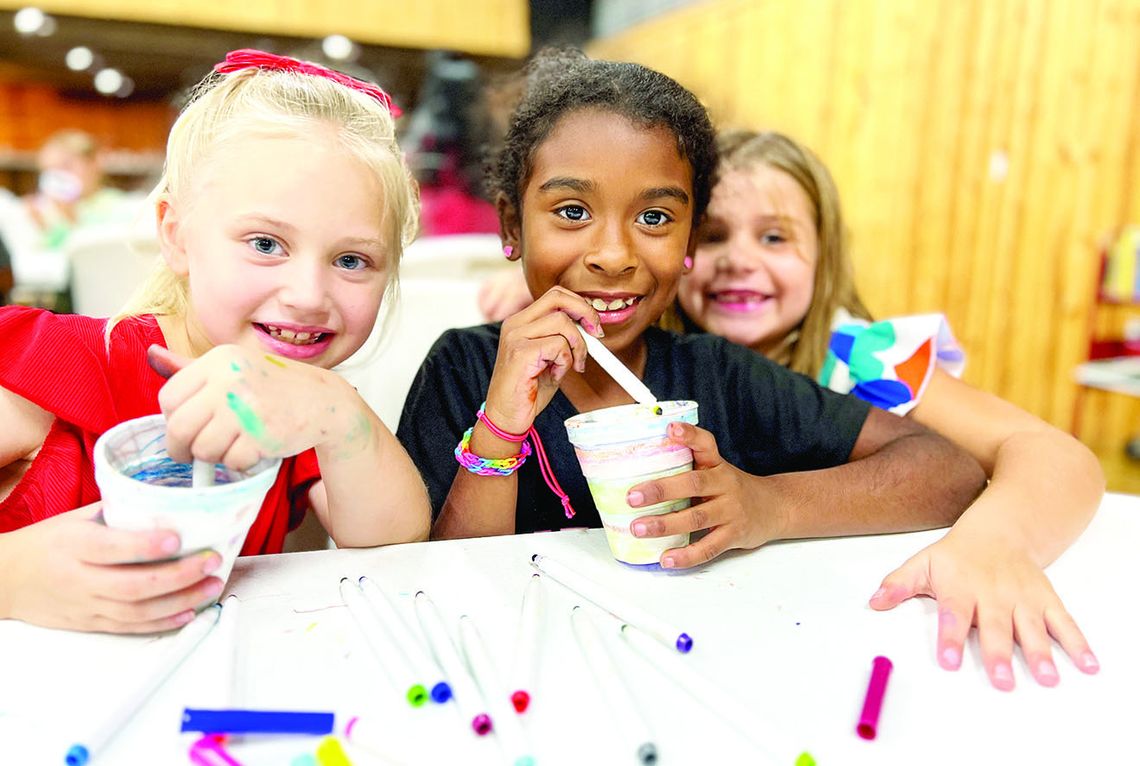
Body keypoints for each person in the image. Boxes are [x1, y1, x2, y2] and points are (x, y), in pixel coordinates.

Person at [398, 49, 984, 581]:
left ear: (690, 245)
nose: (612, 256)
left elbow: (947, 470)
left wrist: (767, 506)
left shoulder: (721, 376)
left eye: (654, 218)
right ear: (511, 226)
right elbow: (438, 578)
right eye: (572, 211)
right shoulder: (465, 366)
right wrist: (500, 427)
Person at [0, 49, 430, 634]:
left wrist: (337, 409)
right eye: (265, 244)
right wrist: (12, 575)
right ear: (176, 236)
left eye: (352, 260)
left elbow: (395, 544)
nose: (307, 294)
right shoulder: (55, 369)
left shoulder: (289, 406)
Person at [670, 129, 1105, 691]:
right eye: (711, 237)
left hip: (867, 635)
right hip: (722, 643)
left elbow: (1056, 455)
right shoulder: (659, 359)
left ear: (825, 254)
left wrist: (994, 542)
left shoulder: (869, 361)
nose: (737, 260)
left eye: (774, 237)